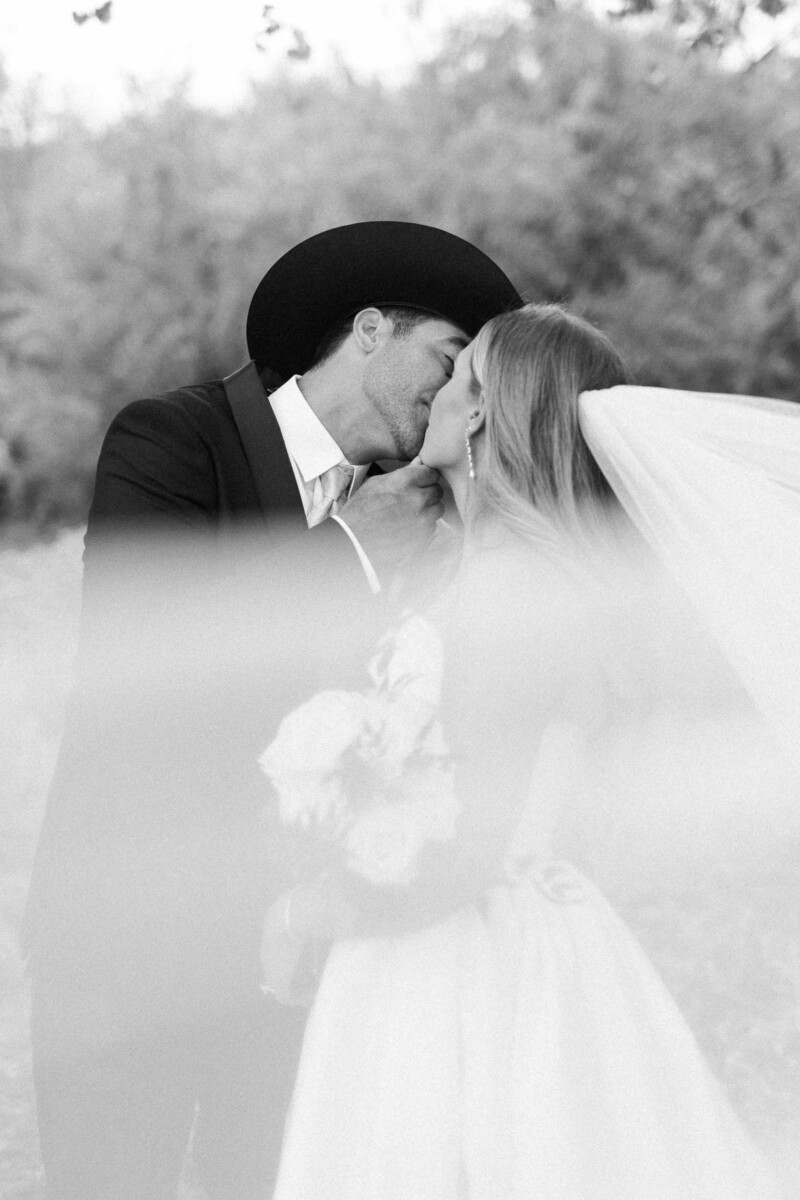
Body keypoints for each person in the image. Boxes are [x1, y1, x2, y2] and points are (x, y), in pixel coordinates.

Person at [22, 221, 522, 1200]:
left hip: (312, 963)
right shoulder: (171, 438)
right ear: (370, 329)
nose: (460, 395)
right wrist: (352, 553)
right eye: (452, 357)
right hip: (127, 955)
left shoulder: (427, 512)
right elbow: (146, 659)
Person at [261, 303, 787, 1198]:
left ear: (478, 413)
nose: (433, 392)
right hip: (486, 925)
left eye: (457, 375)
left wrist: (321, 906)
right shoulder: (482, 567)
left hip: (472, 952)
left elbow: (469, 840)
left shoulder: (514, 589)